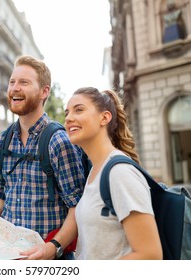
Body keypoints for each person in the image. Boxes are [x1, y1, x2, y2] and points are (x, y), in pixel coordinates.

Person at [0, 55, 85, 260]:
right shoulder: (2, 142)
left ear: (44, 91)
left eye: (24, 82)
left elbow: (77, 207)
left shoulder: (59, 142)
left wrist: (53, 247)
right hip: (10, 257)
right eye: (12, 82)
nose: (14, 88)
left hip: (50, 259)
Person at [64, 87, 163, 260]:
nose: (68, 118)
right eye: (67, 112)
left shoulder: (120, 173)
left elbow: (150, 255)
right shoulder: (96, 170)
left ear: (104, 117)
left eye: (79, 110)